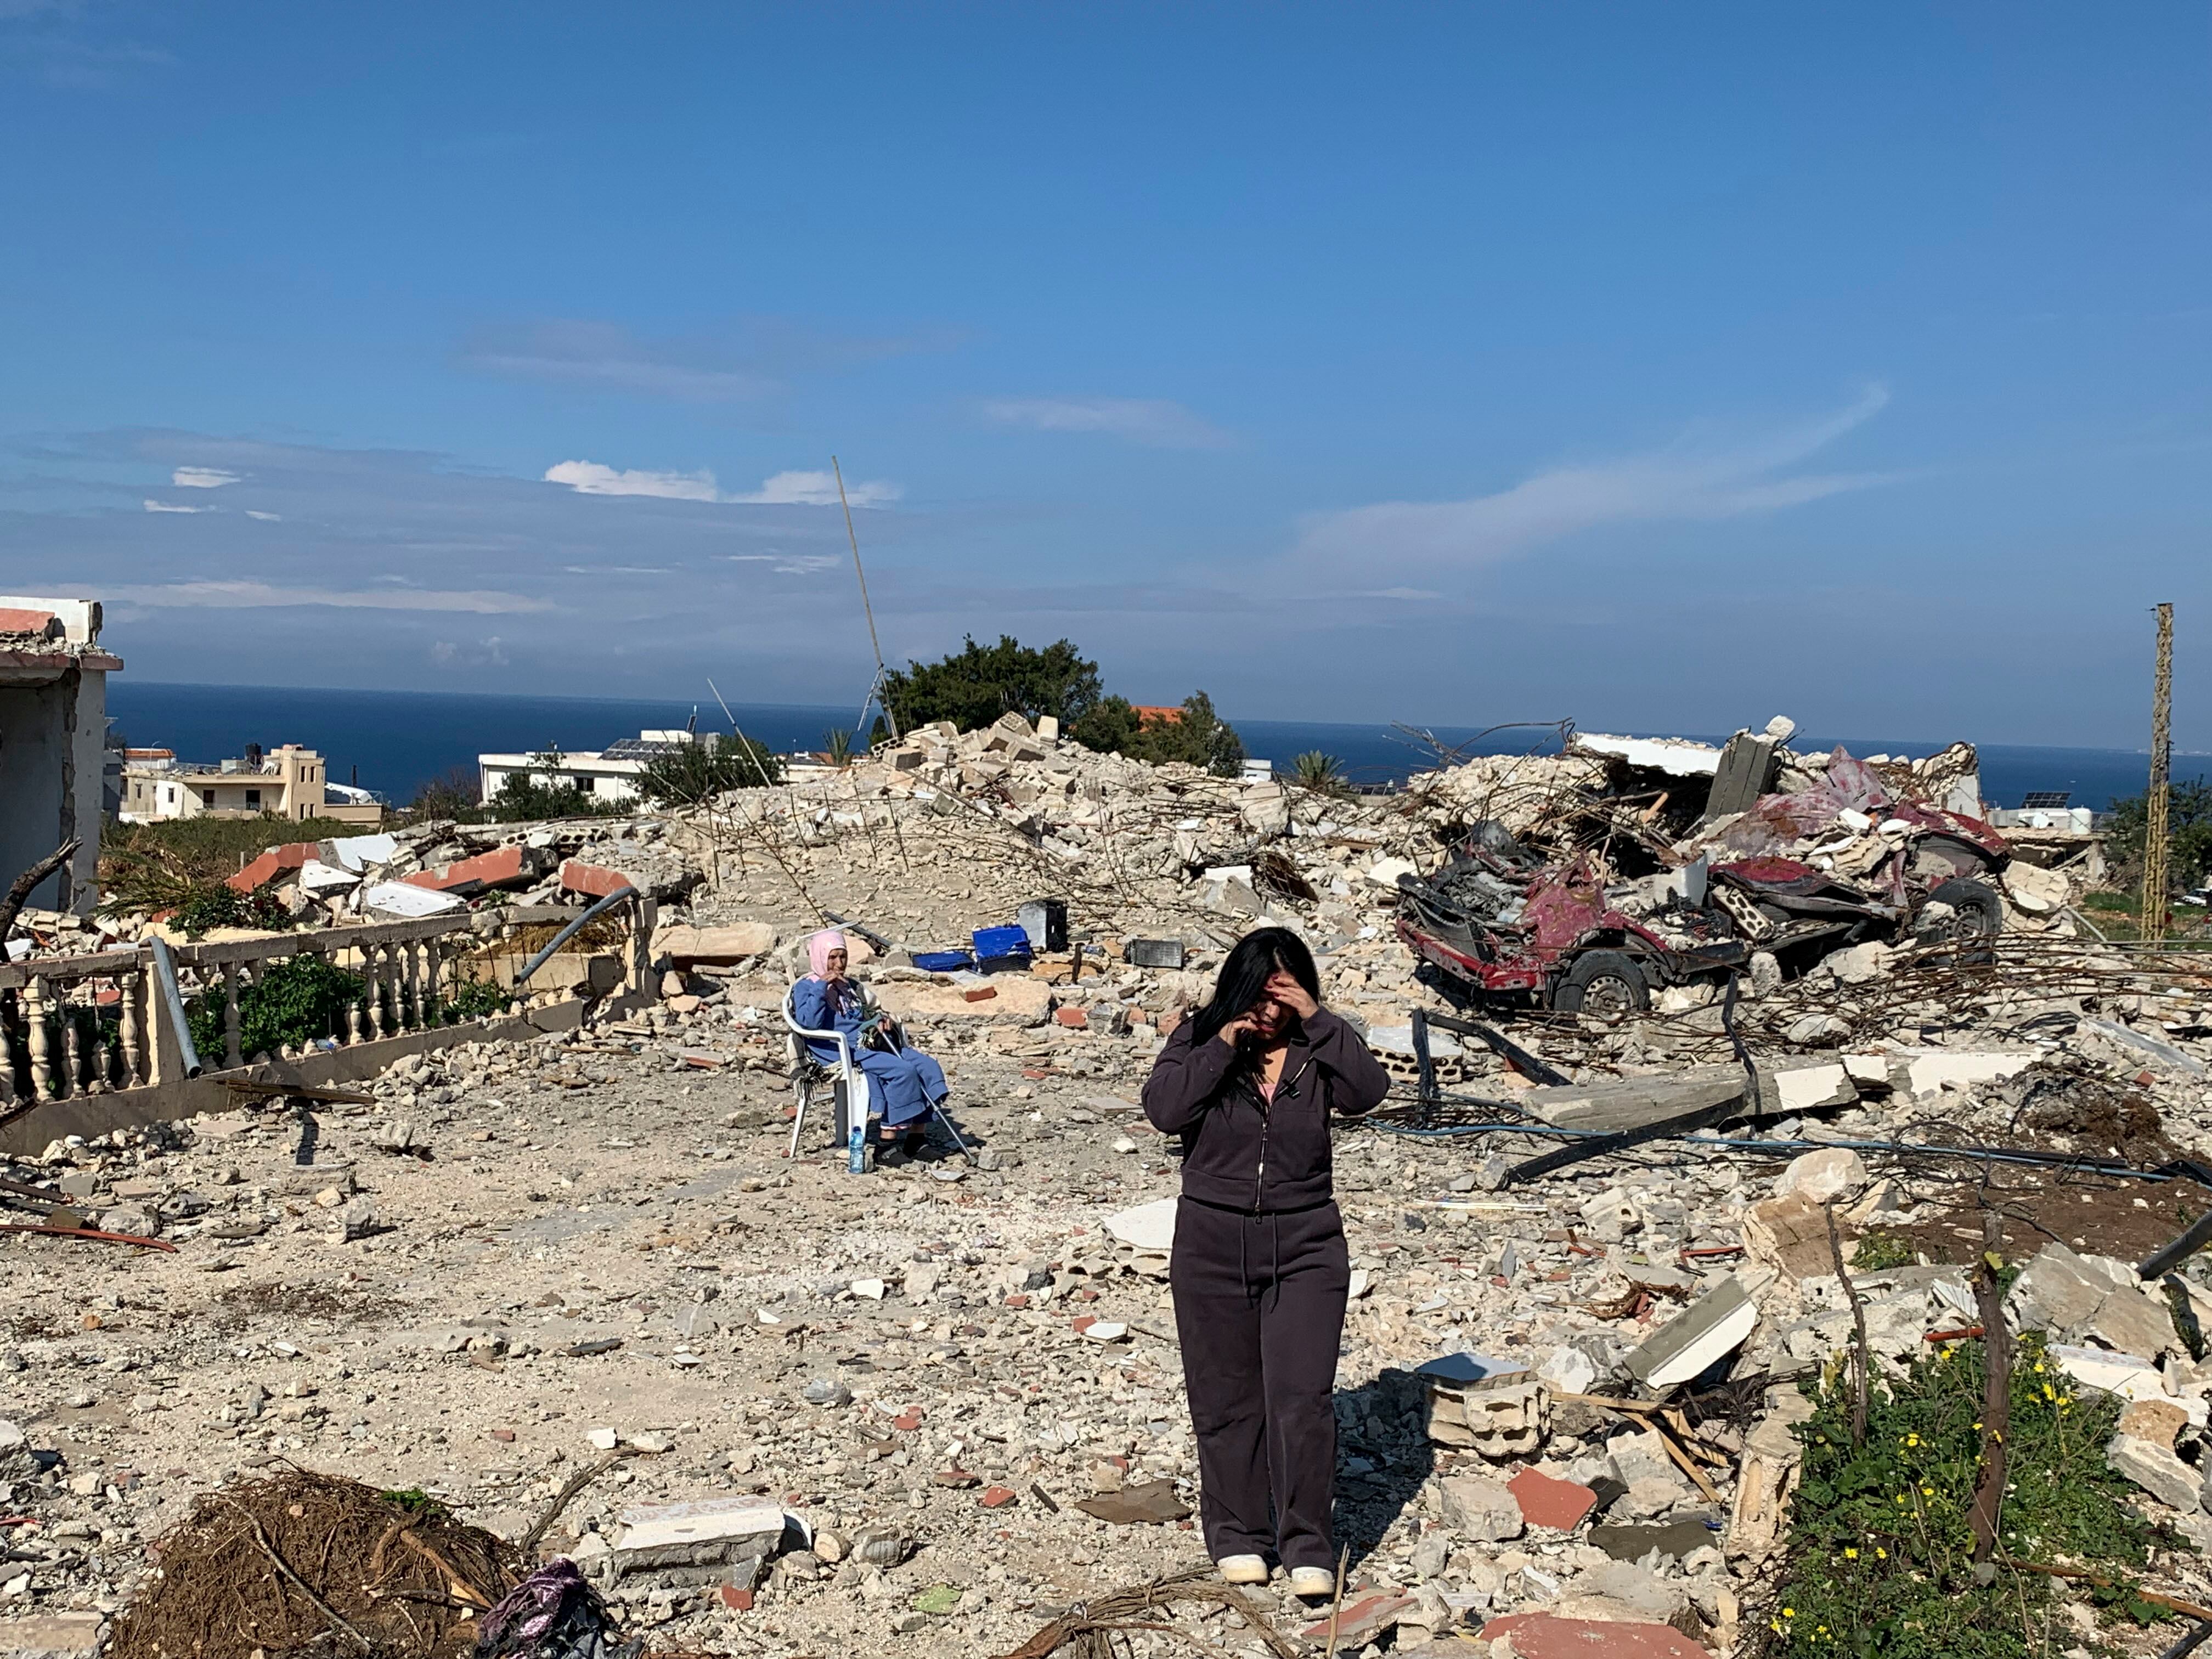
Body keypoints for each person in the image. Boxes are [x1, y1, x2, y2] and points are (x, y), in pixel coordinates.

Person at [1140, 926, 1391, 1597]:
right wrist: (1223, 1045)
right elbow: (1165, 1111)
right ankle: (1238, 1535)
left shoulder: (1319, 1047)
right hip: (1212, 1242)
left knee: (1302, 1398)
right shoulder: (1198, 1039)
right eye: (1262, 989)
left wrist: (1319, 1018)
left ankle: (1308, 1540)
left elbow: (1371, 1091)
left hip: (1307, 1242)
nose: (1272, 1006)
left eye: (1286, 989)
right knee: (1225, 1398)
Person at [791, 928, 951, 1159]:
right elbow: (809, 1024)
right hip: (838, 1050)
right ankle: (887, 1145)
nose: (839, 964)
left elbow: (865, 1014)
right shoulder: (807, 986)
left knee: (926, 1066)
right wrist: (821, 988)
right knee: (902, 1071)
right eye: (832, 957)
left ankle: (917, 1138)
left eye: (843, 956)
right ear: (819, 957)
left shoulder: (849, 986)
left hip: (868, 1044)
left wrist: (880, 1021)